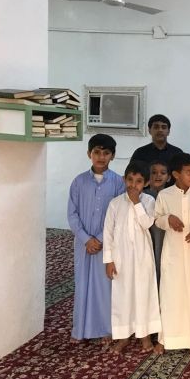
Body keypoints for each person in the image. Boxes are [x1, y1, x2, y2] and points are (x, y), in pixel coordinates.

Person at [67, 134, 125, 343]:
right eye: (97, 152)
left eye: (106, 153)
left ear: (113, 156)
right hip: (84, 244)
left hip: (106, 243)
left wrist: (99, 239)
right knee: (82, 283)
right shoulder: (79, 182)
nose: (101, 157)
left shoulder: (118, 183)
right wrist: (86, 239)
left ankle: (105, 329)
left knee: (104, 285)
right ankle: (80, 330)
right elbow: (72, 214)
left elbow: (119, 215)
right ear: (89, 154)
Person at [153, 153, 190, 356]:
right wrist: (168, 219)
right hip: (173, 255)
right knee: (170, 296)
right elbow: (157, 219)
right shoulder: (164, 195)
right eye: (188, 172)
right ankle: (165, 339)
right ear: (176, 174)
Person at [103, 161, 161, 354]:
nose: (133, 185)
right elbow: (108, 233)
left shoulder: (149, 201)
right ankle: (123, 336)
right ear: (124, 179)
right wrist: (109, 260)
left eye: (138, 181)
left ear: (146, 183)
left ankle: (145, 335)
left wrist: (136, 203)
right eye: (130, 180)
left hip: (142, 256)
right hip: (121, 258)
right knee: (123, 295)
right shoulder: (115, 203)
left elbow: (147, 223)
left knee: (144, 294)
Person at [143, 160, 169, 286]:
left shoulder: (171, 195)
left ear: (169, 177)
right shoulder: (142, 196)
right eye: (154, 172)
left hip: (166, 239)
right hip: (147, 239)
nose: (158, 176)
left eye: (162, 173)